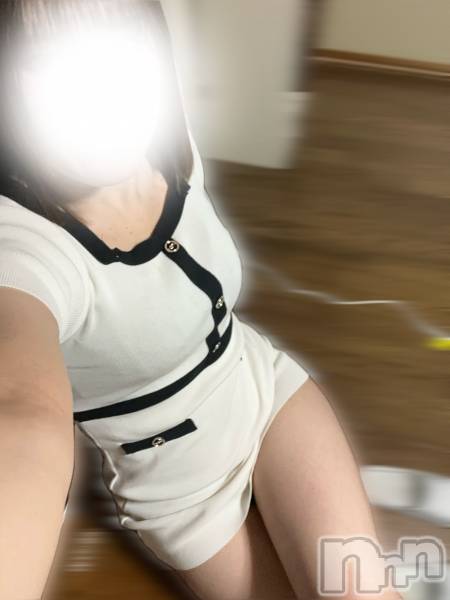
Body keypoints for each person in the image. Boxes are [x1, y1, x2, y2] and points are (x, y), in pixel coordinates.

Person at [0, 1, 405, 599]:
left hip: (269, 397)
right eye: (44, 62)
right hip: (184, 493)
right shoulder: (22, 248)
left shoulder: (166, 141)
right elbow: (22, 412)